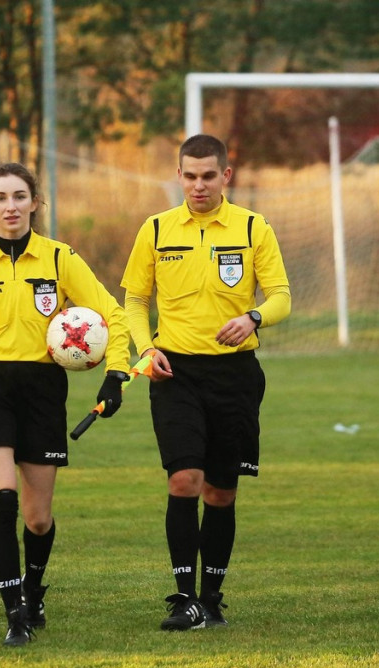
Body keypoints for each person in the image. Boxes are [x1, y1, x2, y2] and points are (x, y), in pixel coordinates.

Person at [0, 162, 132, 646]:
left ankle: (33, 589)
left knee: (37, 517)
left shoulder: (61, 258)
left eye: (19, 197)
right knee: (1, 498)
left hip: (43, 390)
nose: (10, 207)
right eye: (0, 198)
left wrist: (116, 372)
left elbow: (113, 313)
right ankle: (14, 615)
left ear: (35, 204)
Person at [120, 134, 291, 631]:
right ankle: (183, 598)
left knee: (220, 492)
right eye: (190, 176)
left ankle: (212, 599)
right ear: (178, 176)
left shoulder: (253, 228)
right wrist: (145, 349)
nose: (198, 186)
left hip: (235, 375)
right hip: (175, 372)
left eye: (208, 176)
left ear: (226, 177)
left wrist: (254, 317)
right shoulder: (155, 230)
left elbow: (281, 295)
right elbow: (134, 300)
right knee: (183, 480)